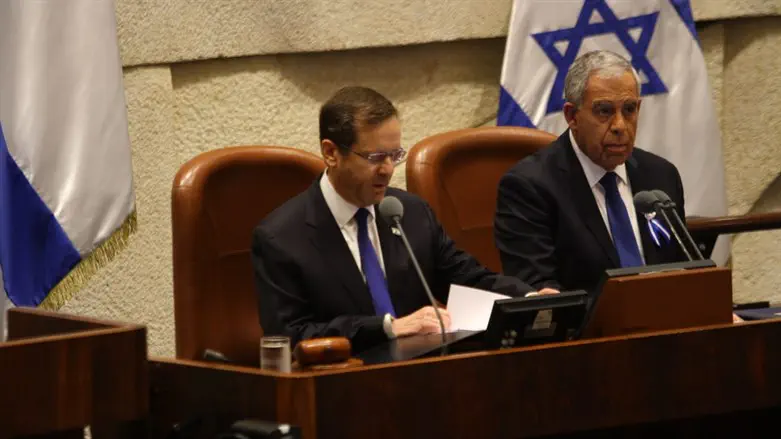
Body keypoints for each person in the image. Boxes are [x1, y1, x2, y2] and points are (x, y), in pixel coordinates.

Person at [252, 86, 556, 353]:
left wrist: (528, 298)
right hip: (344, 381)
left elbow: (469, 278)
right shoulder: (282, 238)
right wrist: (386, 328)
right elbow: (290, 335)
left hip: (422, 375)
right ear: (331, 153)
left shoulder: (408, 213)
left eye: (394, 155)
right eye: (374, 158)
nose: (387, 170)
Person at [494, 50, 687, 295]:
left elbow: (684, 269)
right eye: (604, 111)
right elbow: (540, 293)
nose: (619, 126)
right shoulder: (530, 187)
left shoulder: (661, 176)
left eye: (629, 109)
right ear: (572, 116)